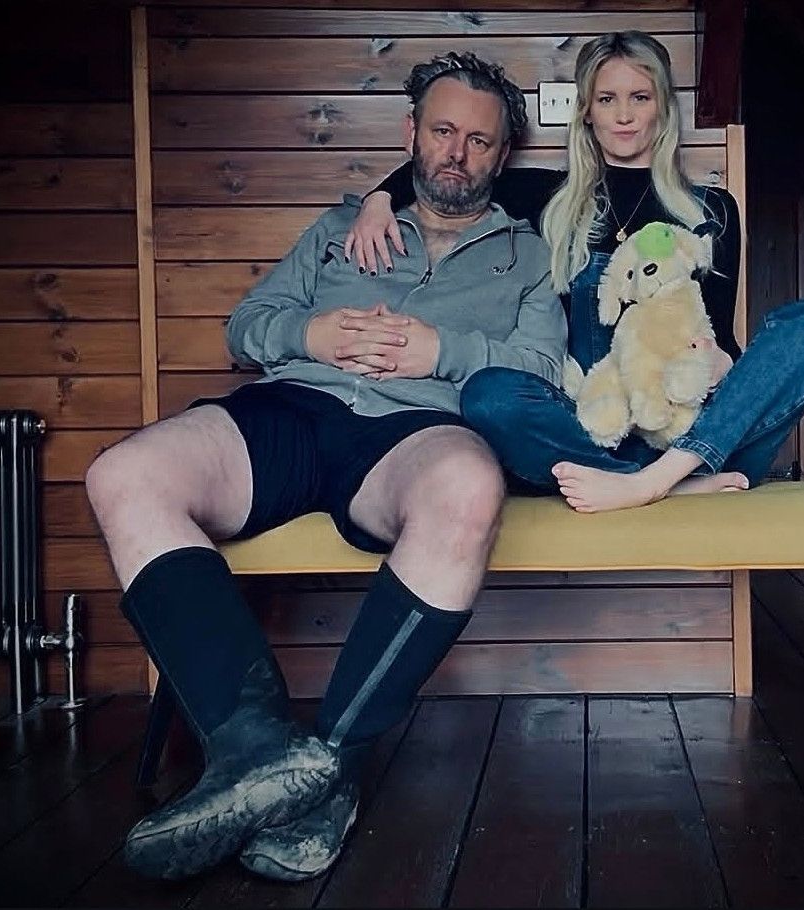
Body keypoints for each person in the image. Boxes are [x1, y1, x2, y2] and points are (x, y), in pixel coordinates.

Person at [85, 52, 565, 884]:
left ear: (501, 155)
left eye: (480, 141)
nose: (457, 153)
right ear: (411, 133)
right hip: (293, 409)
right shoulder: (340, 225)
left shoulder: (529, 257)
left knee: (468, 489)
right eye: (443, 130)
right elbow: (249, 325)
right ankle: (257, 751)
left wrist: (441, 351)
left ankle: (330, 762)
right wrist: (310, 334)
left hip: (416, 431)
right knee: (123, 473)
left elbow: (543, 373)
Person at [348, 31, 804, 512]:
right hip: (586, 430)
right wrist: (380, 198)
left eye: (640, 97)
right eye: (607, 99)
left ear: (662, 107)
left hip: (692, 432)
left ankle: (657, 481)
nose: (624, 115)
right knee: (488, 394)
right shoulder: (545, 198)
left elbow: (722, 341)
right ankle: (661, 485)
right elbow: (453, 172)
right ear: (587, 110)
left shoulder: (711, 210)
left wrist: (721, 365)